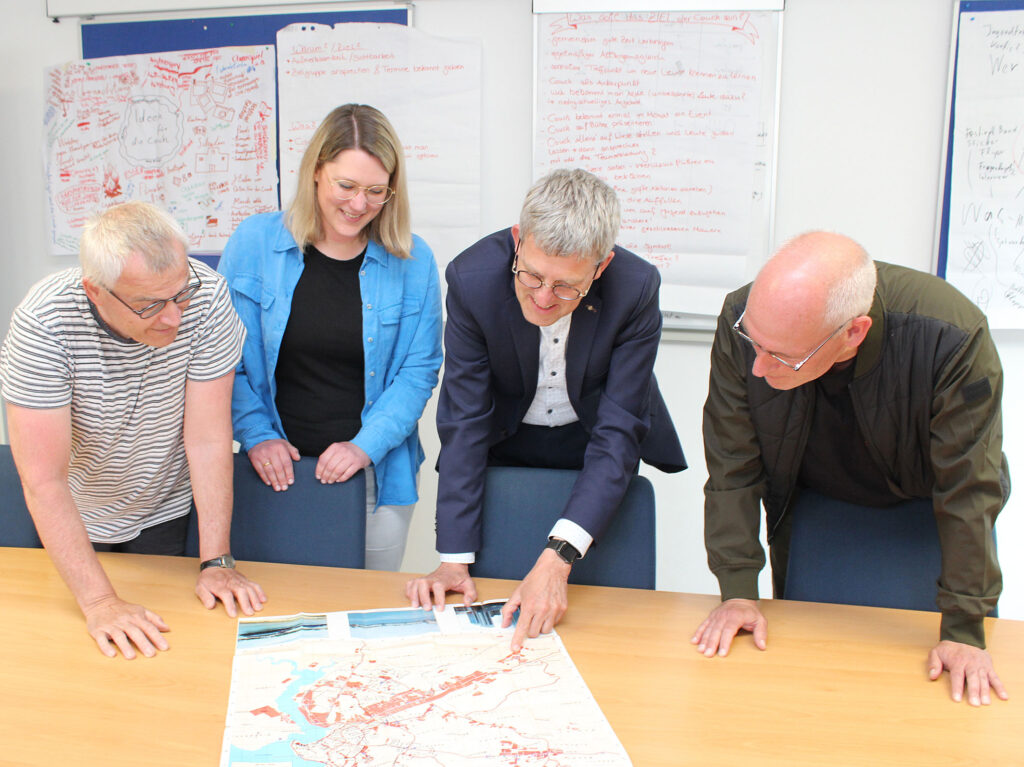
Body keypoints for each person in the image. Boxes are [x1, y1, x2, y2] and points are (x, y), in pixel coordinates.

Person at [694, 230, 1010, 706]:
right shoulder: (749, 319)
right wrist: (738, 591)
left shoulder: (950, 336)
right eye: (753, 344)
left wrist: (965, 631)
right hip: (811, 501)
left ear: (852, 333)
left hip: (923, 504)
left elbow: (970, 488)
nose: (758, 368)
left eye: (779, 355)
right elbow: (732, 462)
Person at [406, 168, 686, 649]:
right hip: (506, 437)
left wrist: (558, 557)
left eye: (565, 287)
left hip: (592, 441)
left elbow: (618, 431)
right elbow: (466, 421)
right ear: (518, 241)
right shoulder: (471, 279)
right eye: (531, 275)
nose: (541, 298)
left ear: (600, 268)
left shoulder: (636, 287)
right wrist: (453, 558)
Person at [0, 200, 266, 660]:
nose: (173, 318)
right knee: (76, 651)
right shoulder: (44, 324)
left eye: (178, 294)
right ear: (96, 291)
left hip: (163, 506)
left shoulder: (207, 297)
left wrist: (217, 561)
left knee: (167, 645)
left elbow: (207, 439)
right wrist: (100, 602)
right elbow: (44, 480)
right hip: (75, 514)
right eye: (149, 305)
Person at [219, 104, 442, 571]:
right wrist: (257, 435)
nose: (359, 205)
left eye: (376, 191)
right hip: (271, 472)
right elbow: (223, 357)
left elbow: (418, 372)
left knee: (363, 619)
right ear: (316, 172)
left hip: (374, 480)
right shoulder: (254, 242)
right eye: (346, 186)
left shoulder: (413, 261)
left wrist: (365, 446)